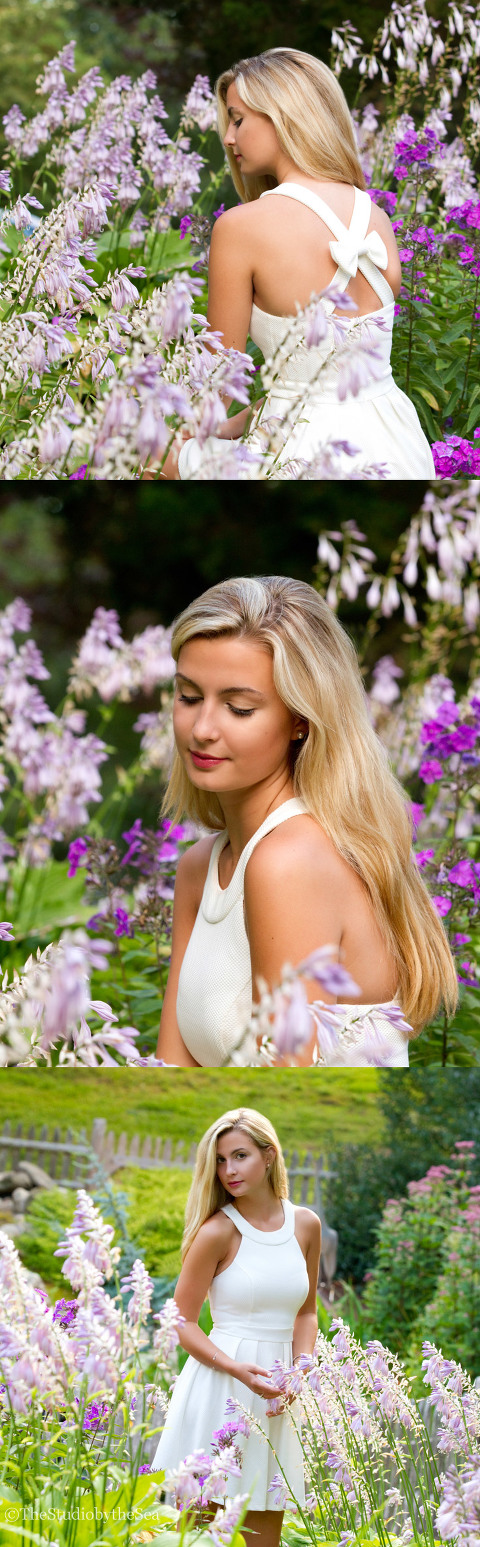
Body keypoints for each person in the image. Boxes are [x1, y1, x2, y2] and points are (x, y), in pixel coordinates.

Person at [156, 575, 458, 1067]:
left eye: (239, 707)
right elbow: (168, 1078)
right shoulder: (199, 868)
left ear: (301, 718)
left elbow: (285, 1099)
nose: (202, 729)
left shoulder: (289, 862)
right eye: (189, 697)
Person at [146, 48, 435, 481]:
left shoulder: (241, 227)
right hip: (396, 443)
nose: (228, 137)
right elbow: (321, 380)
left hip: (298, 454)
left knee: (140, 457)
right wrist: (231, 428)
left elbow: (221, 379)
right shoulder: (376, 217)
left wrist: (181, 437)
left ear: (283, 115)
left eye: (238, 119)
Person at [151, 1108, 321, 1547]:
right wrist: (234, 1368)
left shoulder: (305, 1225)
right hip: (218, 1389)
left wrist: (302, 1371)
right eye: (221, 1160)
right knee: (196, 1532)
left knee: (264, 1537)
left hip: (276, 1399)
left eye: (240, 1156)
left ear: (268, 1156)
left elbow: (306, 1312)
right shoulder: (218, 1232)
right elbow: (181, 1321)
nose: (229, 1170)